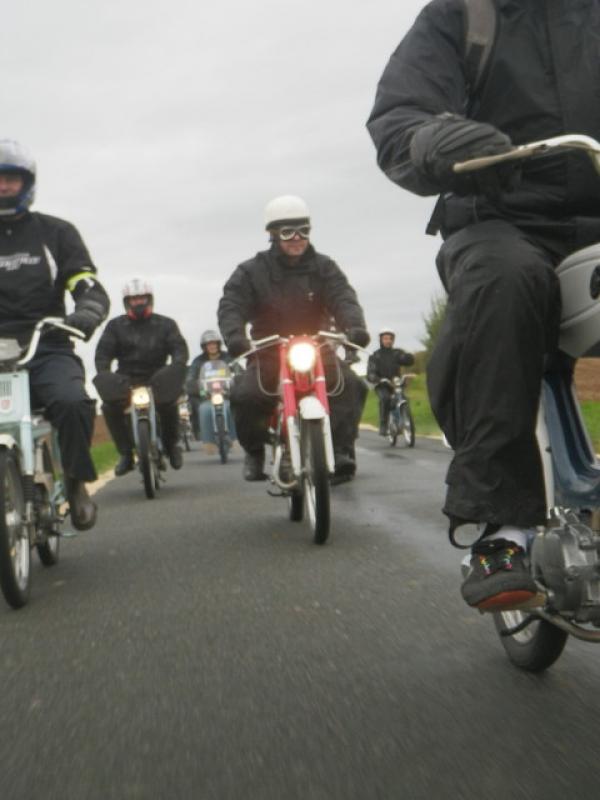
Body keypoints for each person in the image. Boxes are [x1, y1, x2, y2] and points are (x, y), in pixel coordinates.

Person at [367, 0, 600, 611]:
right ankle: (504, 526)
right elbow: (400, 113)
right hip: (501, 218)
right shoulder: (465, 15)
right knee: (504, 279)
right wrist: (434, 139)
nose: (291, 236)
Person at [218, 195, 370, 482]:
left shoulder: (325, 267)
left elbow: (343, 297)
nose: (297, 238)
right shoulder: (250, 271)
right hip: (269, 349)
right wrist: (235, 337)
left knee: (351, 385)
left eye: (303, 230)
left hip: (318, 346)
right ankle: (254, 452)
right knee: (245, 395)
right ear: (273, 234)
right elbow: (231, 305)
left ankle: (340, 450)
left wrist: (355, 327)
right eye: (288, 232)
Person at [0, 139, 109, 530]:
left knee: (72, 402)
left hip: (45, 343)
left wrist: (88, 310)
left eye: (11, 179)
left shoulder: (57, 232)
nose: (3, 186)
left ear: (27, 183)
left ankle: (76, 482)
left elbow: (85, 282)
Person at [94, 278, 189, 476]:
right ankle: (126, 454)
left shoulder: (166, 324)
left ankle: (172, 446)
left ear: (149, 299)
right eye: (134, 299)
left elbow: (179, 349)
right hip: (126, 379)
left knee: (169, 404)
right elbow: (103, 354)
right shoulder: (115, 326)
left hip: (159, 377)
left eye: (142, 298)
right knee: (109, 408)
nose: (138, 302)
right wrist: (104, 373)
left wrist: (176, 366)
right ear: (127, 302)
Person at [185, 329, 236, 446]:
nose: (212, 346)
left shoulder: (228, 357)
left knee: (242, 401)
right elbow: (191, 376)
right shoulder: (198, 361)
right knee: (194, 403)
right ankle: (199, 430)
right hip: (206, 394)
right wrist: (193, 385)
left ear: (218, 344)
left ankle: (240, 431)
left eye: (214, 343)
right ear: (204, 347)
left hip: (227, 392)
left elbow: (237, 369)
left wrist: (238, 378)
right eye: (209, 344)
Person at [367, 328, 415, 435]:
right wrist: (376, 378)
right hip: (382, 384)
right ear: (381, 340)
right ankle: (383, 425)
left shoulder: (397, 353)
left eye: (390, 338)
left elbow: (404, 359)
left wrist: (409, 358)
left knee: (403, 398)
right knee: (385, 399)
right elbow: (370, 372)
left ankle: (403, 418)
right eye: (385, 338)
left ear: (393, 340)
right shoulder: (375, 355)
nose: (388, 341)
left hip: (396, 383)